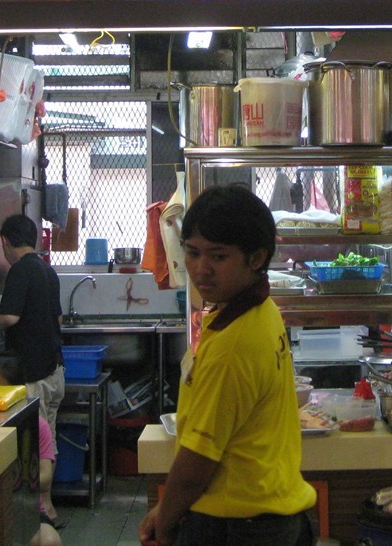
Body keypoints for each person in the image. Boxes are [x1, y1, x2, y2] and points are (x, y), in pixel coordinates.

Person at [138, 185, 315, 546]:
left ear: (256, 258)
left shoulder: (234, 343)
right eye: (192, 252)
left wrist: (167, 517)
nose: (201, 269)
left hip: (238, 527)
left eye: (218, 257)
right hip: (274, 513)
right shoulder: (259, 310)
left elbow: (197, 462)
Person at [0, 215, 66, 458]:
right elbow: (59, 319)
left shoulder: (20, 270)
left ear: (6, 241)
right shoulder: (47, 270)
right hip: (54, 371)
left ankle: (34, 495)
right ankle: (46, 497)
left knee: (32, 446)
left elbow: (10, 317)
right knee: (47, 442)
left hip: (33, 375)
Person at [0, 355, 62, 539]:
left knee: (49, 541)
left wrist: (12, 485)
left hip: (27, 509)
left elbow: (46, 476)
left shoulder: (35, 425)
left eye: (0, 393)